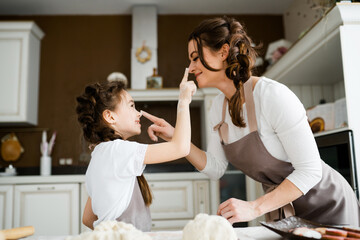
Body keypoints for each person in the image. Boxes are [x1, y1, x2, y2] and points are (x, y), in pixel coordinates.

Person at [143, 16, 360, 226]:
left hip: (329, 206)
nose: (190, 68)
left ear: (223, 52)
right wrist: (177, 138)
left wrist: (254, 208)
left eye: (195, 57)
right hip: (285, 213)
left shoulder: (271, 95)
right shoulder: (217, 107)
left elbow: (311, 171)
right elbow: (216, 168)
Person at [75, 68, 196, 231]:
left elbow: (88, 219)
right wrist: (184, 100)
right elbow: (181, 148)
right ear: (110, 117)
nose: (138, 113)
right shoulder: (118, 150)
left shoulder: (101, 155)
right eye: (131, 106)